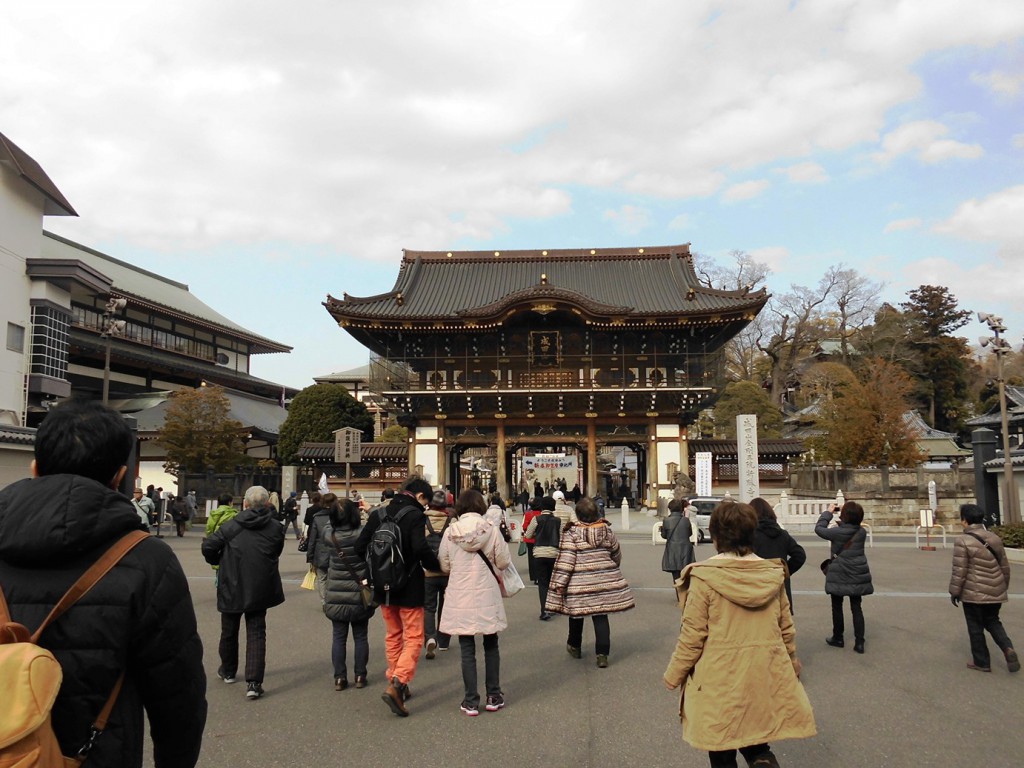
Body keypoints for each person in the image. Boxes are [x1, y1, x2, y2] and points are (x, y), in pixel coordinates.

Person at [0, 399, 206, 767]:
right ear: (118, 476)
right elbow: (177, 695)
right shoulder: (146, 559)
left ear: (34, 468)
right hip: (93, 753)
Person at [663, 501, 816, 768]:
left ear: (716, 536)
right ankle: (761, 758)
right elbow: (785, 626)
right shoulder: (772, 574)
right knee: (754, 731)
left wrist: (674, 674)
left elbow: (692, 635)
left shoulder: (704, 577)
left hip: (719, 674)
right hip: (761, 668)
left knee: (722, 745)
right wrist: (792, 661)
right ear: (751, 534)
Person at [354, 476, 441, 717]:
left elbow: (360, 547)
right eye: (426, 502)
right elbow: (421, 548)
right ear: (420, 496)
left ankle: (397, 680)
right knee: (414, 635)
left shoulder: (378, 514)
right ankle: (398, 683)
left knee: (393, 634)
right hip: (410, 586)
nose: (425, 506)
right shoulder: (415, 516)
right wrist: (436, 565)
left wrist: (377, 570)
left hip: (383, 588)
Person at [201, 485, 285, 700]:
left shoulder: (231, 526)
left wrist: (218, 562)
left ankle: (228, 670)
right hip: (260, 583)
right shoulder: (275, 527)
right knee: (256, 631)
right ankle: (254, 682)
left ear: (245, 504)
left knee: (229, 628)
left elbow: (209, 546)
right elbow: (276, 551)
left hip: (232, 581)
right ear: (267, 504)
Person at [438, 488, 511, 716]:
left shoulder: (450, 532)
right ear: (481, 506)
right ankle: (493, 695)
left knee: (466, 647)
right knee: (491, 643)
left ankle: (470, 700)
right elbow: (503, 561)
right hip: (486, 592)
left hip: (460, 593)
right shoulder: (491, 530)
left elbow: (445, 564)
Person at [545, 496, 634, 667]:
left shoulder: (571, 533)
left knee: (577, 614)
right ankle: (602, 654)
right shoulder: (606, 531)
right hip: (603, 580)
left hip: (579, 581)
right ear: (597, 513)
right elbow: (616, 552)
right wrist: (610, 568)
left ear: (578, 515)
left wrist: (560, 583)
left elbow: (567, 560)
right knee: (600, 615)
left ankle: (574, 646)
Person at [949, 503, 1019, 673]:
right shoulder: (994, 538)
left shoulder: (963, 541)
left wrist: (955, 592)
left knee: (975, 627)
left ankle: (982, 661)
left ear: (964, 520)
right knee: (994, 622)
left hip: (973, 592)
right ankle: (1008, 648)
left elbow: (960, 570)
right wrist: (1002, 587)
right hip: (996, 590)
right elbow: (1005, 566)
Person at [322, 498, 376, 690]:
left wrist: (336, 511)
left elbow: (330, 523)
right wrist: (367, 511)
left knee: (338, 637)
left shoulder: (330, 535)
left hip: (336, 591)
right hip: (359, 591)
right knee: (361, 636)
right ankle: (360, 675)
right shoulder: (362, 534)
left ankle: (340, 677)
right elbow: (376, 522)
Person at [815, 501, 873, 653]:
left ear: (844, 516)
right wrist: (845, 521)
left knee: (837, 605)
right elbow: (850, 529)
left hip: (839, 572)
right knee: (856, 607)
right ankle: (859, 642)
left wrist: (828, 512)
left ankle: (838, 637)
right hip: (857, 572)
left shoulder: (837, 533)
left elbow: (819, 529)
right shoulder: (861, 532)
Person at [750, 497, 806, 612]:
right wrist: (785, 570)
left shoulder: (750, 535)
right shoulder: (782, 534)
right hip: (780, 584)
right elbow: (800, 555)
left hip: (757, 585)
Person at [423, 489, 452, 659]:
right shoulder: (452, 521)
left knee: (429, 607)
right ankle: (444, 640)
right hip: (448, 571)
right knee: (445, 606)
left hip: (428, 571)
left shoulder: (423, 520)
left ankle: (430, 637)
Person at [524, 495, 560, 620]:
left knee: (543, 583)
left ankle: (544, 610)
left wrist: (536, 532)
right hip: (553, 552)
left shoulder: (536, 519)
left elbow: (528, 534)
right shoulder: (557, 520)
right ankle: (553, 607)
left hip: (539, 552)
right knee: (552, 582)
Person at [306, 493, 338, 600]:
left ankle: (324, 600)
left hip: (320, 552)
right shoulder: (340, 516)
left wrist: (310, 556)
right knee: (335, 577)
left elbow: (312, 539)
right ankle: (333, 598)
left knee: (322, 578)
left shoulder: (317, 517)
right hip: (338, 551)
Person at [205, 492, 238, 587]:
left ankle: (219, 581)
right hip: (229, 543)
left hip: (216, 542)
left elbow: (209, 529)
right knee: (230, 565)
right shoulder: (233, 514)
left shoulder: (213, 514)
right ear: (230, 502)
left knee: (218, 563)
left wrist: (211, 539)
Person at [661, 498, 696, 583]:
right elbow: (689, 533)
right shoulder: (686, 520)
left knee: (676, 578)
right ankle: (686, 594)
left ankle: (679, 594)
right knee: (686, 576)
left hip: (673, 549)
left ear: (670, 509)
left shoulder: (666, 520)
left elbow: (664, 536)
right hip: (686, 550)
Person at [522, 497, 543, 583]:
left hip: (530, 540)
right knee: (540, 558)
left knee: (531, 558)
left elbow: (524, 527)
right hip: (540, 539)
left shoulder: (528, 514)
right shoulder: (542, 514)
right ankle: (540, 576)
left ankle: (534, 577)